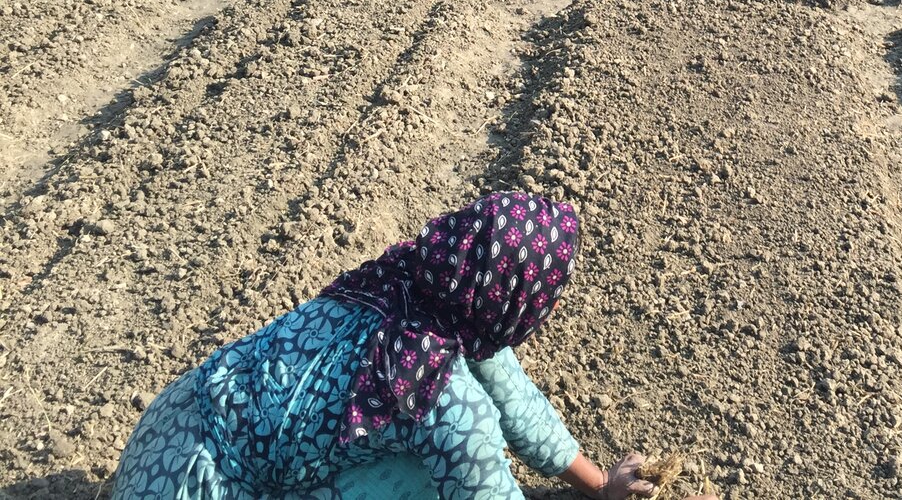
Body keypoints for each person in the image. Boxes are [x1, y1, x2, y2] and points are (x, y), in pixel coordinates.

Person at [115, 192, 707, 500]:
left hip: (166, 428)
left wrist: (603, 484)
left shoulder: (412, 280)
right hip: (190, 487)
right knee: (432, 478)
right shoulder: (444, 400)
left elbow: (514, 395)